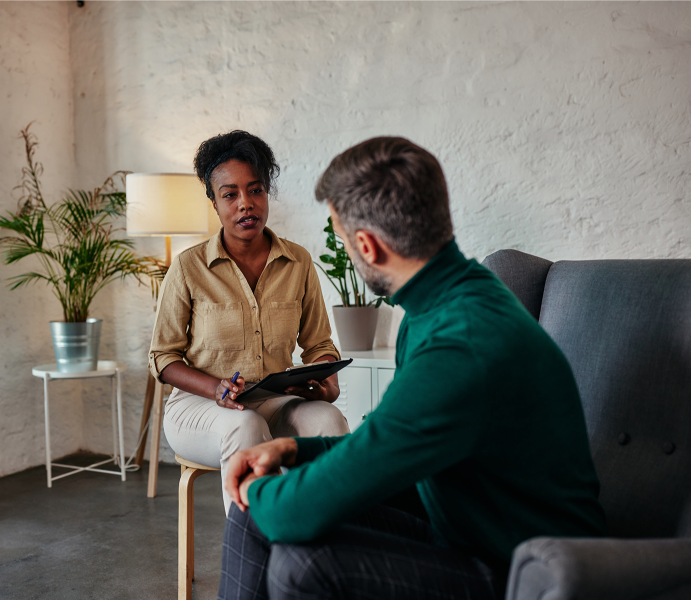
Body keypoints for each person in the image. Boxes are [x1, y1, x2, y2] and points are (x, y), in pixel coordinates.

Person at [218, 137, 607, 599]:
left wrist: (262, 490)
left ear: (367, 245)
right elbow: (387, 442)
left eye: (343, 240)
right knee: (254, 512)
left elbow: (314, 501)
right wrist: (291, 451)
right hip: (463, 525)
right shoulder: (445, 297)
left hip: (523, 568)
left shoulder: (460, 345)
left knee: (299, 556)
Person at [148, 130, 350, 512]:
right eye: (230, 194)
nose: (246, 204)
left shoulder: (298, 262)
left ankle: (328, 548)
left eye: (255, 191)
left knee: (329, 420)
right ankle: (254, 557)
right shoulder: (189, 267)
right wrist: (216, 389)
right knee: (245, 426)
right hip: (199, 408)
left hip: (273, 400)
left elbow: (319, 345)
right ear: (214, 201)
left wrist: (326, 380)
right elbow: (162, 358)